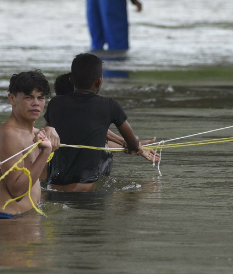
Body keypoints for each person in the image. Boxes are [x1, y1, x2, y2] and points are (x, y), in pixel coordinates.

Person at [44, 54, 153, 192]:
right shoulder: (110, 105)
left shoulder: (55, 104)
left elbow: (47, 137)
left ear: (71, 80)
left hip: (53, 187)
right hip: (85, 189)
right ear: (99, 82)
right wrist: (135, 145)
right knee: (135, 196)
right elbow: (132, 143)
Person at [0, 71, 61, 219]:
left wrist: (50, 129)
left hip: (26, 215)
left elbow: (41, 176)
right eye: (28, 97)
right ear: (12, 99)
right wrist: (45, 152)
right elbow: (17, 191)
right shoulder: (9, 134)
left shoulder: (37, 134)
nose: (36, 103)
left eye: (41, 98)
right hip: (8, 217)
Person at [52, 71, 159, 163]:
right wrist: (131, 143)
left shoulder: (58, 115)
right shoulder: (58, 126)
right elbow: (101, 133)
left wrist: (133, 145)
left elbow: (102, 139)